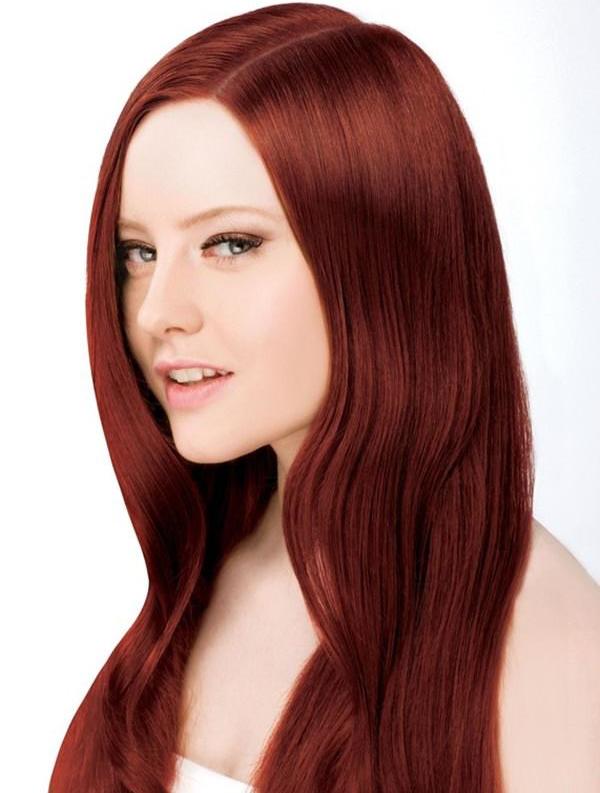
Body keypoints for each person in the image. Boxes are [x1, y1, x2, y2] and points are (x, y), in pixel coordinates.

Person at [49, 4, 600, 792]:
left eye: (230, 244)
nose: (155, 310)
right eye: (138, 252)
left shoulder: (546, 645)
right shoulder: (218, 559)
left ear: (385, 256)